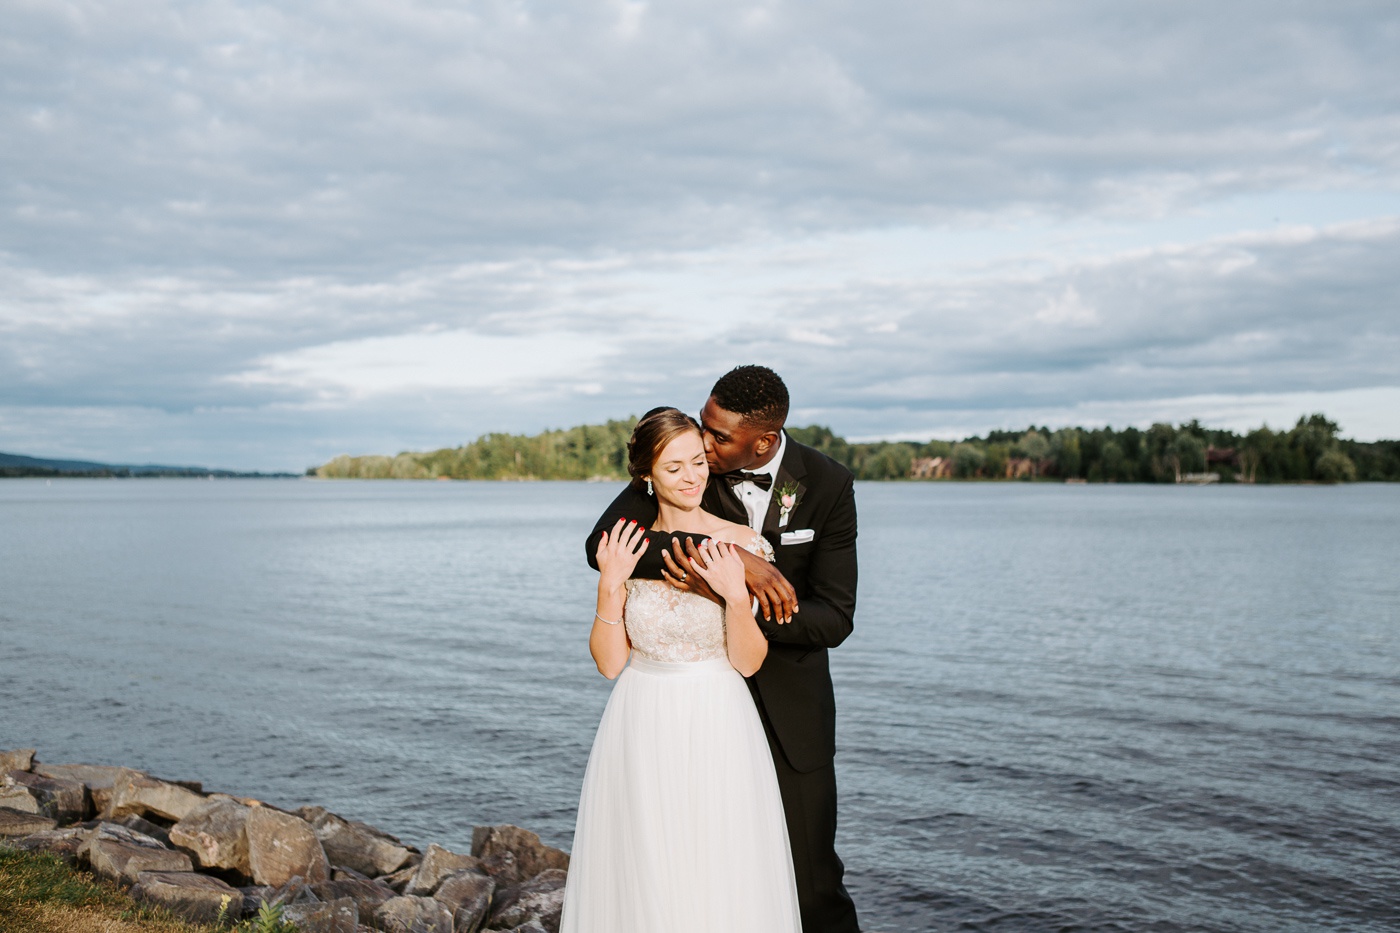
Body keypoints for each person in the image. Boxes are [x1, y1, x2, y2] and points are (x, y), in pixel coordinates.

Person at [584, 366, 861, 933]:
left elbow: (834, 617)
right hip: (674, 710)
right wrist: (724, 555)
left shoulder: (829, 483)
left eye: (718, 437)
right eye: (702, 429)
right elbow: (603, 545)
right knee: (673, 864)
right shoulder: (686, 466)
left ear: (763, 440)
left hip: (786, 707)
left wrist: (736, 598)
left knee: (810, 880)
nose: (704, 447)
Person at [559, 406, 802, 933]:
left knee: (717, 861)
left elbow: (748, 661)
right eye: (674, 468)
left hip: (719, 717)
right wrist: (609, 586)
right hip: (640, 717)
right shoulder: (626, 546)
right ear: (647, 475)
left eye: (697, 462)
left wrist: (737, 599)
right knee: (643, 864)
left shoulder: (742, 542)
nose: (691, 477)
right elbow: (609, 664)